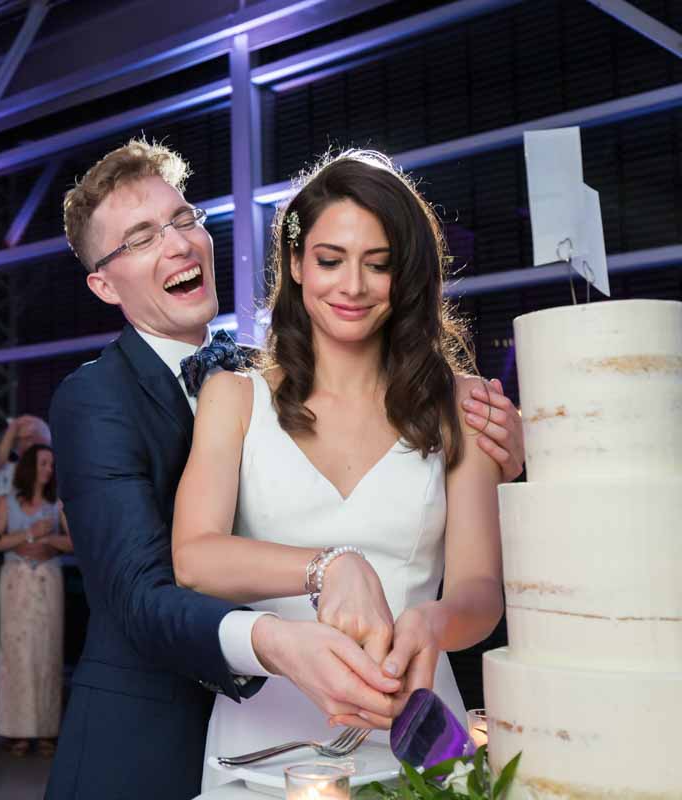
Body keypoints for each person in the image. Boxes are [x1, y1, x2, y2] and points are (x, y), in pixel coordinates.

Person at [45, 139, 526, 799]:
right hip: (173, 735)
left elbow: (480, 584)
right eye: (141, 238)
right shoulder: (104, 399)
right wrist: (322, 576)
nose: (180, 244)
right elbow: (146, 590)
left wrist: (508, 458)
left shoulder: (251, 372)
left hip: (409, 727)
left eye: (185, 220)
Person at [169, 150, 505, 789]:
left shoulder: (460, 405)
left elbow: (480, 591)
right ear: (296, 264)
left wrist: (431, 622)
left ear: (406, 277)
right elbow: (193, 558)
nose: (352, 286)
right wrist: (330, 564)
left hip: (424, 737)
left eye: (378, 265)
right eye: (330, 260)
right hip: (262, 751)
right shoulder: (235, 398)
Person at [0, 445, 73, 758]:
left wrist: (49, 540)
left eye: (51, 463)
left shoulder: (57, 505)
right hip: (16, 581)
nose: (49, 468)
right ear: (29, 467)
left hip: (47, 579)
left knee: (47, 652)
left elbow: (74, 542)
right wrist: (29, 534)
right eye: (43, 463)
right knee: (15, 654)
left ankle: (46, 729)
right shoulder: (6, 503)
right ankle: (16, 731)